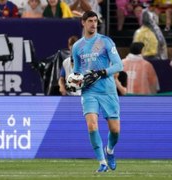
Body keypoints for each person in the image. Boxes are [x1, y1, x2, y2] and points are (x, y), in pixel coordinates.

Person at [71, 11, 123, 172]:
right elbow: (77, 71)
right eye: (90, 21)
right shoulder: (77, 46)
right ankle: (102, 162)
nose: (94, 24)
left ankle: (110, 151)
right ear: (83, 22)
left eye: (95, 21)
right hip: (89, 92)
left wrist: (101, 72)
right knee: (92, 126)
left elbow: (118, 65)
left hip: (107, 90)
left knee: (115, 130)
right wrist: (74, 82)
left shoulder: (105, 42)